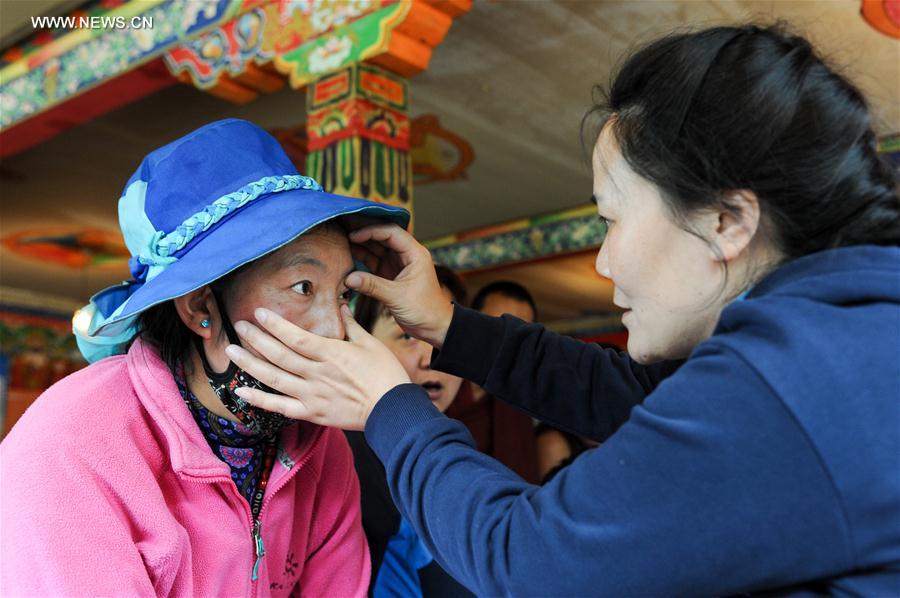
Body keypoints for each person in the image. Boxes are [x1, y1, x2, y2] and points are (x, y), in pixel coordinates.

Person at [223, 25, 900, 595]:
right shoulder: (843, 336)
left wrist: (388, 407)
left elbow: (528, 562)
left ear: (727, 221)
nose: (603, 263)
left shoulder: (799, 380)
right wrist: (451, 327)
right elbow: (635, 394)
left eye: (611, 219)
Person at [0, 119, 410, 596]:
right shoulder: (73, 444)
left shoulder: (318, 442)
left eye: (342, 294)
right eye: (302, 287)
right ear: (200, 307)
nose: (336, 329)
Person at [348, 264, 473, 598]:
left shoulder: (455, 458)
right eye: (406, 335)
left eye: (444, 336)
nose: (431, 358)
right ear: (361, 342)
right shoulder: (339, 457)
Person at [445, 281, 540, 482]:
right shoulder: (436, 381)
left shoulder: (518, 399)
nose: (508, 343)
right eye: (497, 328)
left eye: (521, 336)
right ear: (470, 323)